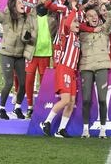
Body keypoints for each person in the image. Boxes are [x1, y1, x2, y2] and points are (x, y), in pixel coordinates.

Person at [0, 0, 27, 120]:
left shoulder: (26, 19)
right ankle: (1, 109)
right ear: (13, 6)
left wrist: (28, 37)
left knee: (23, 84)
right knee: (9, 82)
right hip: (6, 54)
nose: (23, 4)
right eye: (20, 2)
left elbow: (31, 36)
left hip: (20, 55)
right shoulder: (6, 18)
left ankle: (17, 108)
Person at [40, 8, 80, 138]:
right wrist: (74, 10)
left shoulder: (78, 38)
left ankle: (61, 129)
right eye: (75, 22)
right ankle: (46, 122)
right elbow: (68, 23)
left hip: (73, 72)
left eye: (78, 22)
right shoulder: (67, 34)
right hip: (64, 69)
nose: (77, 24)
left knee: (72, 102)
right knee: (65, 100)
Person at [79, 3, 111, 138]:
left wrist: (106, 5)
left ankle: (103, 129)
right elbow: (72, 22)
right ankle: (85, 130)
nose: (93, 17)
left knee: (102, 99)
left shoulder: (104, 29)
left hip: (101, 66)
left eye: (95, 15)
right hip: (86, 67)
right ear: (86, 19)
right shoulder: (82, 32)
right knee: (86, 100)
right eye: (90, 16)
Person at [21, 0, 57, 118]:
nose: (42, 5)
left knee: (44, 83)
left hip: (46, 54)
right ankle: (30, 106)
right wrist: (26, 37)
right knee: (29, 81)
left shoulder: (53, 18)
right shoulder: (30, 17)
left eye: (44, 3)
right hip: (32, 53)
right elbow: (23, 36)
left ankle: (41, 106)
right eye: (40, 3)